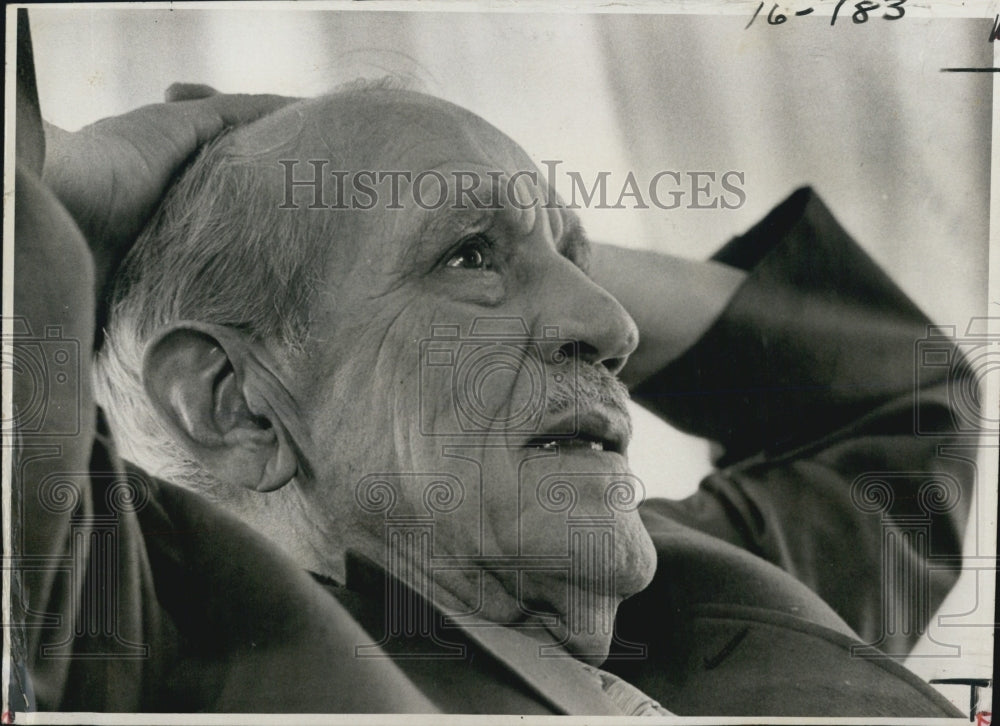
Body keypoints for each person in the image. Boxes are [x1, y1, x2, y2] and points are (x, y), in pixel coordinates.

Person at [12, 15, 973, 717]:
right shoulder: (145, 638)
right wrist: (80, 179)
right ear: (237, 405)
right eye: (468, 257)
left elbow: (895, 393)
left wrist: (478, 200)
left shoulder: (682, 592)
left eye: (580, 262)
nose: (615, 328)